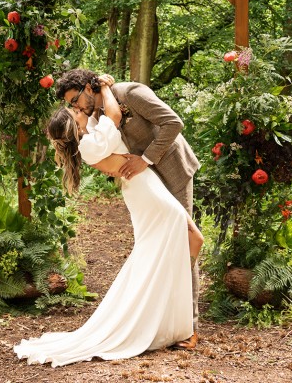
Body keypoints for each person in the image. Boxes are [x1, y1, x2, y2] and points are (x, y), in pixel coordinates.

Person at [13, 79, 203, 366]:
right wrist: (101, 90)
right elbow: (110, 133)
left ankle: (185, 322)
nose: (75, 107)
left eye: (75, 101)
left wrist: (104, 86)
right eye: (72, 107)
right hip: (146, 184)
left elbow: (171, 123)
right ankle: (170, 322)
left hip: (170, 170)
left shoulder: (126, 94)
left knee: (182, 242)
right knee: (171, 244)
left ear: (87, 90)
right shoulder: (94, 125)